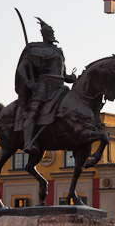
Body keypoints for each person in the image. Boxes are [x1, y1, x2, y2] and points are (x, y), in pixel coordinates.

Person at [15, 18, 77, 153]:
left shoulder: (58, 52)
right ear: (44, 34)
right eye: (49, 32)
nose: (52, 35)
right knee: (34, 112)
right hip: (44, 86)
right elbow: (22, 68)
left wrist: (70, 78)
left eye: (52, 32)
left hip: (60, 87)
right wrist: (27, 82)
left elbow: (63, 74)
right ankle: (28, 142)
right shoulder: (35, 49)